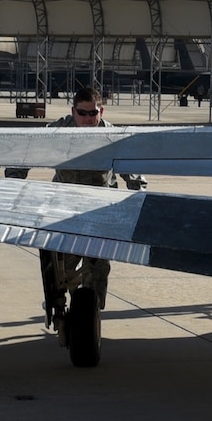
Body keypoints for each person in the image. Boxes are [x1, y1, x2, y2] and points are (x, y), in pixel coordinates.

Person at [37, 86, 142, 328]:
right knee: (57, 264)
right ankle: (59, 306)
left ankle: (91, 313)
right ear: (73, 111)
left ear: (101, 111)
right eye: (81, 114)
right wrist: (14, 179)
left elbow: (132, 169)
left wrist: (139, 195)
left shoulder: (112, 136)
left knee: (97, 269)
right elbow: (29, 147)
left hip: (99, 212)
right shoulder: (59, 131)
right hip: (65, 210)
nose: (87, 120)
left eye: (92, 114)